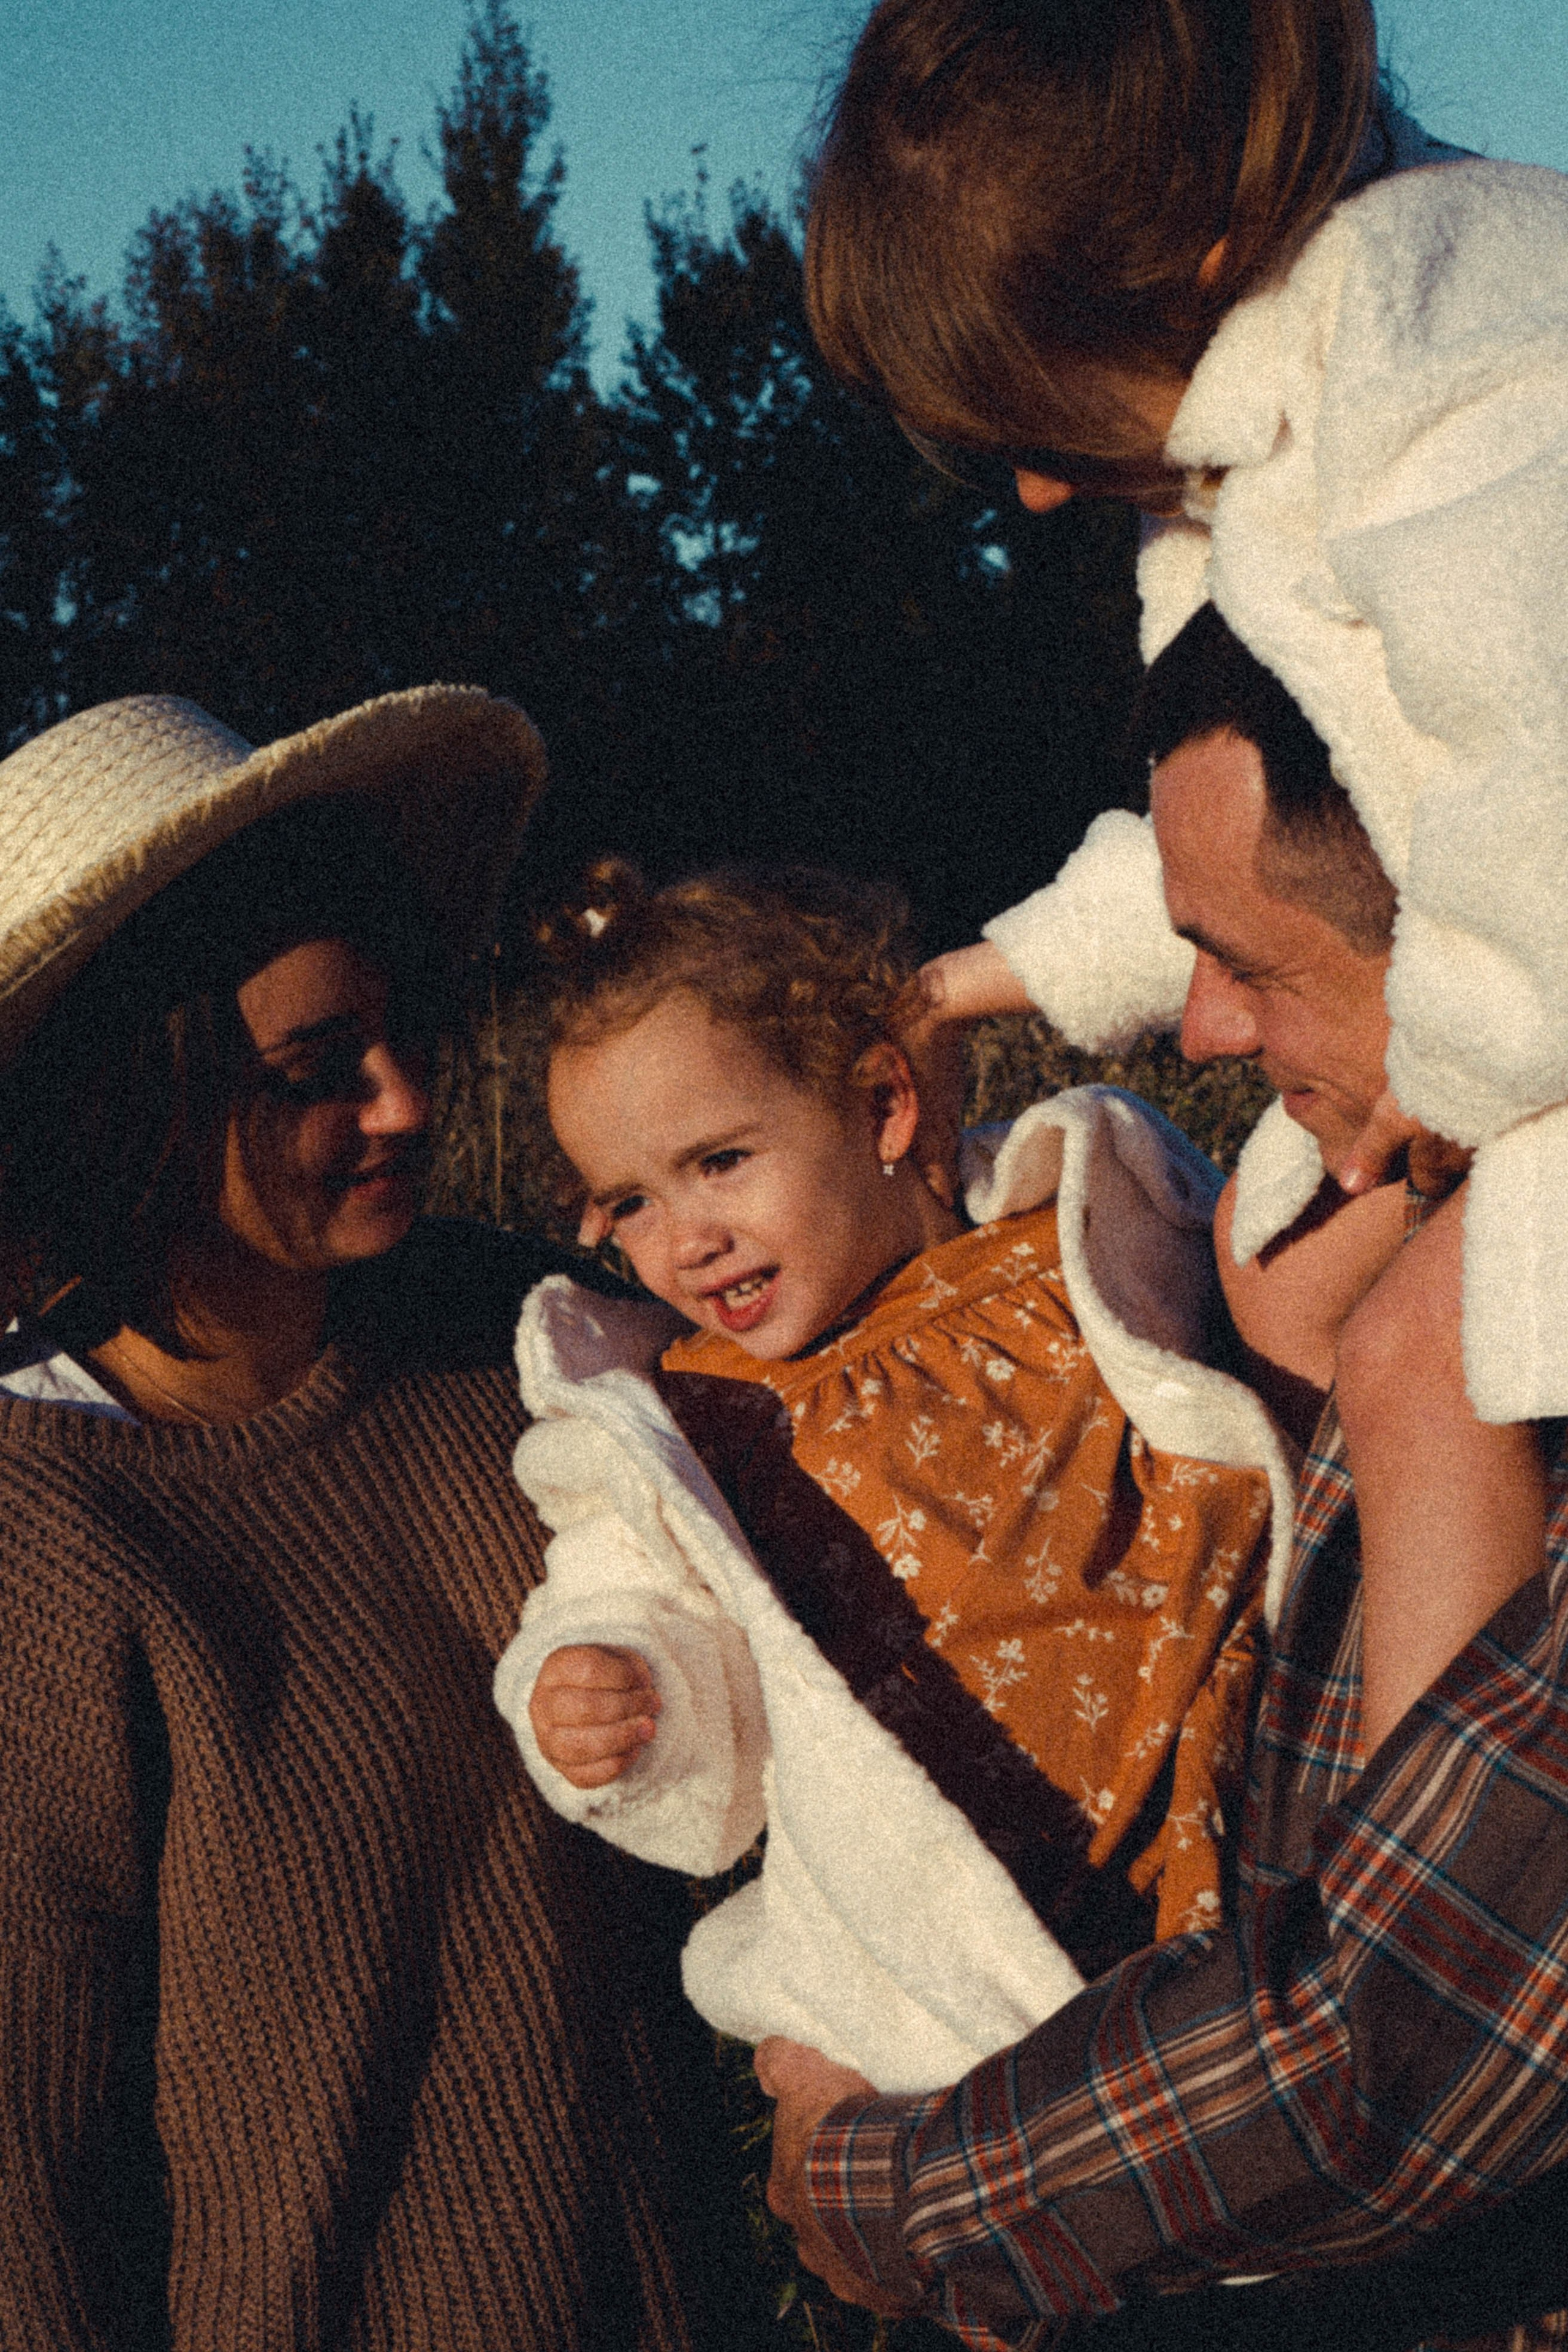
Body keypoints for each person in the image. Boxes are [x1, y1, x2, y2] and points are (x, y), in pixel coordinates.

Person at [755, 608, 1568, 2350]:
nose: (1193, 1027)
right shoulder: (1407, 1223)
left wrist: (876, 2185)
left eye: (1252, 968)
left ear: (1475, 936)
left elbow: (1381, 2040)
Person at [0, 691, 763, 2351]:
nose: (408, 1105)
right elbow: (24, 2180)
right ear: (130, 1096)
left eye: (401, 1034)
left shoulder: (540, 1338)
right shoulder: (41, 1539)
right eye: (313, 1074)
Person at [803, 0, 1568, 1432]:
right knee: (1272, 1287)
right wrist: (958, 986)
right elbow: (1236, 849)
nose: (1035, 496)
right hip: (1501, 1014)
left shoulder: (1465, 336)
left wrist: (1445, 1070)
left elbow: (1547, 778)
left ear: (1193, 267)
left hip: (1529, 1007)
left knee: (1416, 1364)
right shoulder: (1234, 455)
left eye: (1037, 434)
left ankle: (1446, 1653)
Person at [492, 865, 1294, 2096]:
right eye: (629, 1202)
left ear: (881, 1101)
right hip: (966, 1935)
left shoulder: (1077, 1227)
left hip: (1232, 1813)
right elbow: (630, 1601)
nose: (684, 1238)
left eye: (718, 1160)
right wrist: (614, 1683)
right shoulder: (686, 1416)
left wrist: (950, 994)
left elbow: (1243, 903)